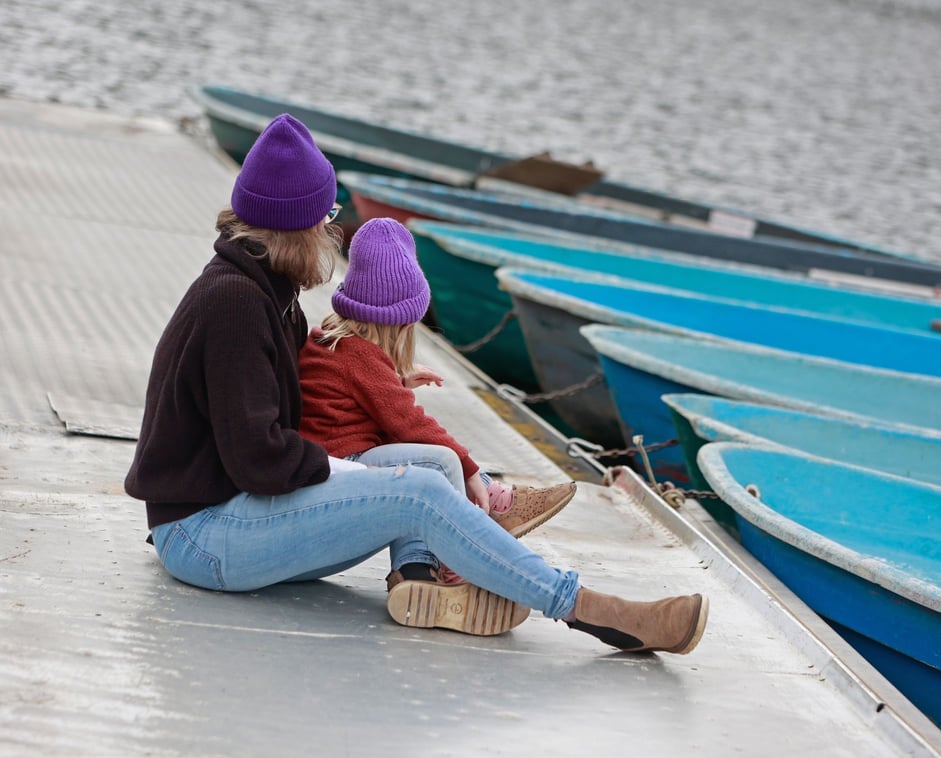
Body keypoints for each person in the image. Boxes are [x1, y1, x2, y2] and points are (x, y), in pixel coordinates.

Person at [123, 112, 709, 654]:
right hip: (202, 535)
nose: (335, 234)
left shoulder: (270, 297)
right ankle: (592, 611)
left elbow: (277, 428)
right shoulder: (234, 302)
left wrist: (384, 435)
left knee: (429, 466)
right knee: (417, 491)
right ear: (298, 227)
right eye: (328, 219)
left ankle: (419, 578)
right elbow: (259, 459)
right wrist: (376, 476)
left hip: (233, 511)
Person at [297, 216, 577, 576]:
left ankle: (416, 570)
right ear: (397, 322)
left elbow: (355, 393)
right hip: (344, 464)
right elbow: (409, 423)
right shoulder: (361, 356)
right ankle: (469, 533)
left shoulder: (337, 337)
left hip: (334, 456)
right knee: (436, 461)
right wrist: (469, 466)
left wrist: (397, 380)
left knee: (424, 463)